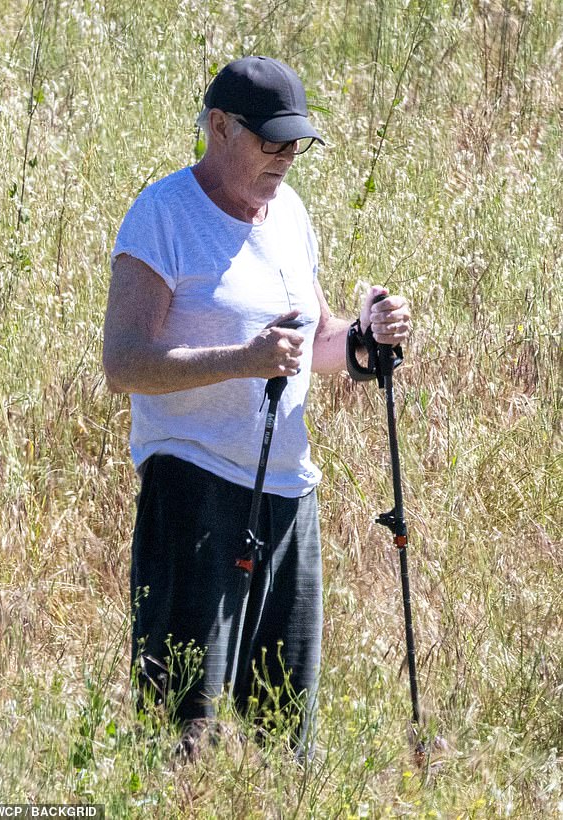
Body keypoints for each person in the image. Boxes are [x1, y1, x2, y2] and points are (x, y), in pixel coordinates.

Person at [103, 56, 411, 753]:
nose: (288, 158)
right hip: (193, 491)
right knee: (182, 729)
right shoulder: (163, 215)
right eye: (273, 141)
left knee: (284, 731)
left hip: (287, 494)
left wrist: (365, 340)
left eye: (297, 143)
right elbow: (122, 365)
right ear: (219, 127)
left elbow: (317, 340)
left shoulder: (290, 214)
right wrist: (242, 361)